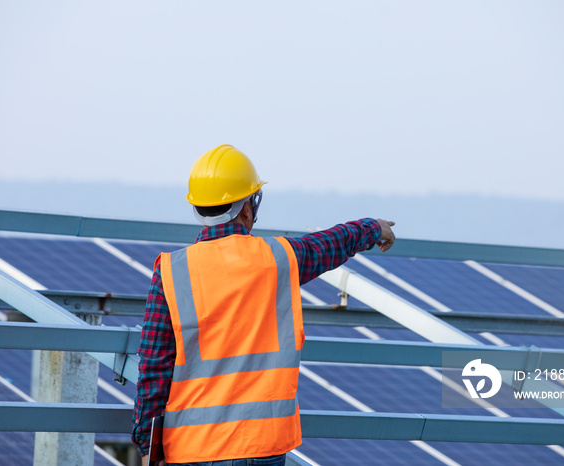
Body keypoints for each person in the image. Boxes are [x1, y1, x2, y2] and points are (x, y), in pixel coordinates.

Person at [132, 144, 396, 466]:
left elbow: (154, 365)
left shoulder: (171, 271)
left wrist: (148, 443)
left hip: (194, 448)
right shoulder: (279, 258)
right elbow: (329, 244)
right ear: (247, 209)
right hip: (264, 446)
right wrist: (372, 228)